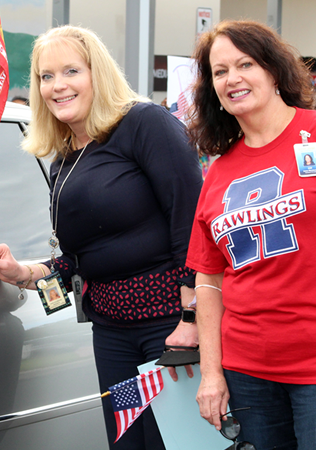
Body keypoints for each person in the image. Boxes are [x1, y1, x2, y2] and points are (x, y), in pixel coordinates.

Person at [0, 25, 203, 450]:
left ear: (97, 73)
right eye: (46, 76)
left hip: (167, 328)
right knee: (129, 445)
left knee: (181, 444)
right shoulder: (65, 156)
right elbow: (79, 259)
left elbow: (192, 225)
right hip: (112, 335)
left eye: (70, 71)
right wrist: (23, 272)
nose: (57, 86)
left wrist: (191, 321)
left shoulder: (145, 123)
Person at [186, 20, 316, 450]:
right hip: (248, 374)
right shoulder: (218, 172)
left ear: (274, 70)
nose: (232, 78)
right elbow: (208, 281)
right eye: (220, 72)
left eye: (245, 64)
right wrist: (211, 372)